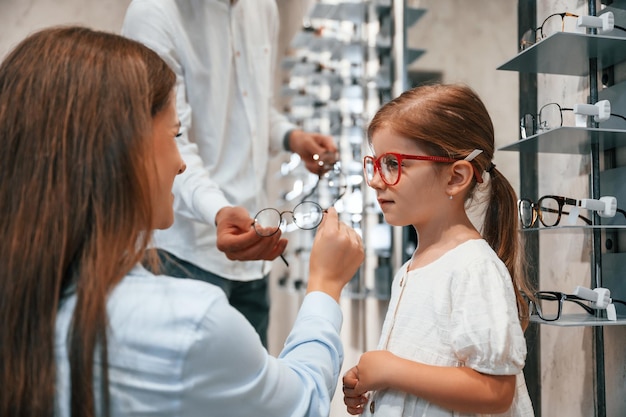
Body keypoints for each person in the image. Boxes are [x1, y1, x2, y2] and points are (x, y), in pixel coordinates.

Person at [0, 26, 364, 417]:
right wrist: (325, 285)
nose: (181, 162)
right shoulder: (192, 322)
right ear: (120, 149)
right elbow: (302, 402)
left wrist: (289, 136)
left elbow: (255, 109)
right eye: (174, 135)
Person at [121, 0, 338, 347]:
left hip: (254, 255)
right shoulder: (154, 14)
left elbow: (253, 108)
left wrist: (291, 137)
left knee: (250, 397)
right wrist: (218, 212)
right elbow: (166, 141)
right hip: (183, 255)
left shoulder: (263, 8)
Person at [342, 84, 535, 417]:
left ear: (455, 177)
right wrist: (375, 384)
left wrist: (390, 371)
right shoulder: (411, 269)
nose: (375, 180)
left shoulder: (473, 268)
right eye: (375, 163)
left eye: (393, 163)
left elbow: (494, 392)